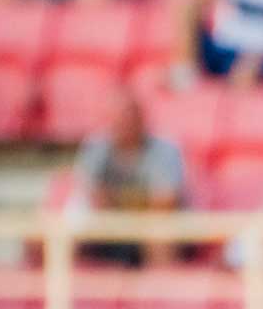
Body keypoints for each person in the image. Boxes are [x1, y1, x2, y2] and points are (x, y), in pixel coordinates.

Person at [68, 90, 187, 266]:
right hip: (109, 225)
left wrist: (117, 203)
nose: (122, 124)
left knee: (159, 234)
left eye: (127, 118)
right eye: (116, 119)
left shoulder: (164, 150)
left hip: (152, 228)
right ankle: (65, 289)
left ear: (141, 119)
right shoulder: (97, 148)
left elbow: (164, 204)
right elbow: (94, 198)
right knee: (63, 234)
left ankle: (159, 290)